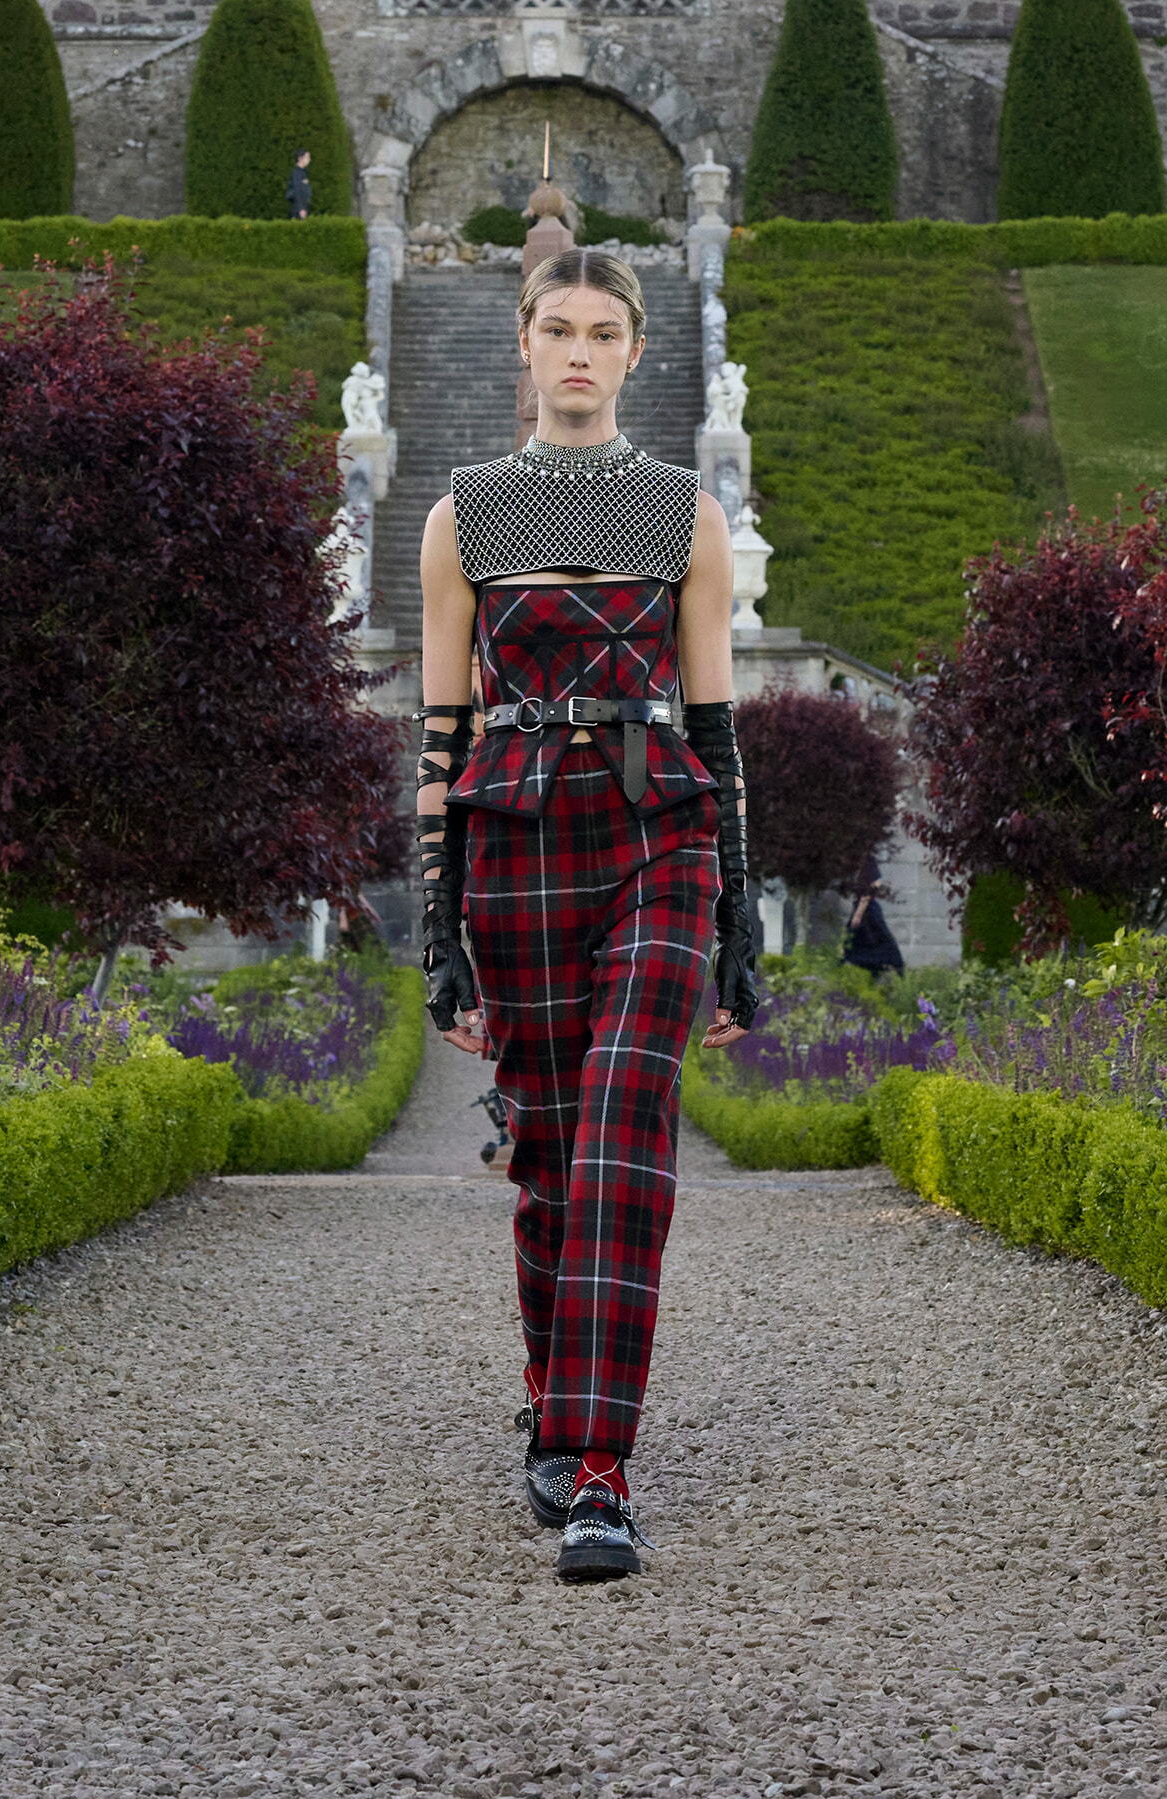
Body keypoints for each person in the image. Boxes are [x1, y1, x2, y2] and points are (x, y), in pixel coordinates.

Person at [416, 249, 759, 1583]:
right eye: (555, 327)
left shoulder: (688, 516)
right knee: (553, 1153)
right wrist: (435, 931)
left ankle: (598, 1468)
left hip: (656, 826)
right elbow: (440, 731)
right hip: (514, 836)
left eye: (601, 330)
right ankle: (559, 1407)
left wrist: (737, 926)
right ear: (524, 342)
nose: (576, 349)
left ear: (633, 353)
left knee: (624, 1117)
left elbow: (720, 732)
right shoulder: (462, 518)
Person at [842, 854, 904, 978]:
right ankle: (870, 969)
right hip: (863, 907)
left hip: (867, 910)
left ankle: (885, 968)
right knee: (864, 941)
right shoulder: (857, 866)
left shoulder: (868, 864)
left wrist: (858, 914)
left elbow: (869, 890)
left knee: (874, 938)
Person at [286, 149, 311, 220]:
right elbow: (296, 190)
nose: (309, 160)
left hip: (304, 207)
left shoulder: (303, 173)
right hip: (298, 209)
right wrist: (301, 208)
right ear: (300, 158)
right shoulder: (296, 173)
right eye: (307, 157)